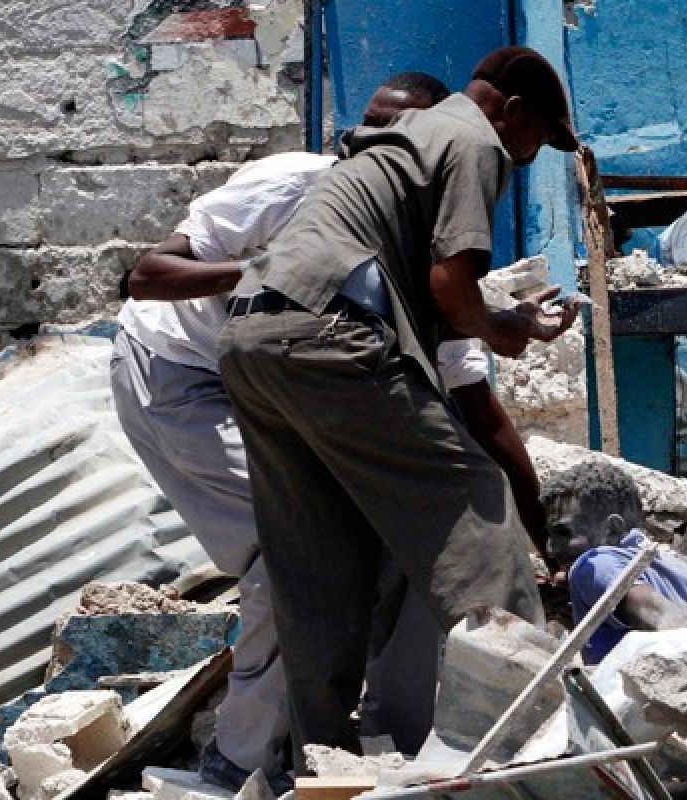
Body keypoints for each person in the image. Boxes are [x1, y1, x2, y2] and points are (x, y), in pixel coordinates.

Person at [112, 73, 542, 791]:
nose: (364, 147)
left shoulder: (426, 240)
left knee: (387, 542)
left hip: (275, 387)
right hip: (180, 374)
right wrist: (267, 269)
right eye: (363, 128)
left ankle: (378, 746)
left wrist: (543, 532)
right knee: (283, 560)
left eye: (392, 136)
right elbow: (147, 276)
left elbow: (477, 410)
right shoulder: (296, 185)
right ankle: (243, 762)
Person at [216, 45, 581, 765]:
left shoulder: (396, 143)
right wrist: (502, 326)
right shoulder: (476, 139)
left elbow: (425, 299)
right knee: (474, 505)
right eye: (538, 139)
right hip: (329, 338)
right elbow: (452, 289)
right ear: (510, 112)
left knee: (318, 556)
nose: (531, 156)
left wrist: (505, 318)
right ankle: (523, 740)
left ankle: (323, 761)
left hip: (254, 338)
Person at [540, 460, 687, 665]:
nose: (550, 549)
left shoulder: (593, 564)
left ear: (613, 530)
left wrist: (668, 618)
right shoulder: (682, 566)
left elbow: (643, 603)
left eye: (564, 533)